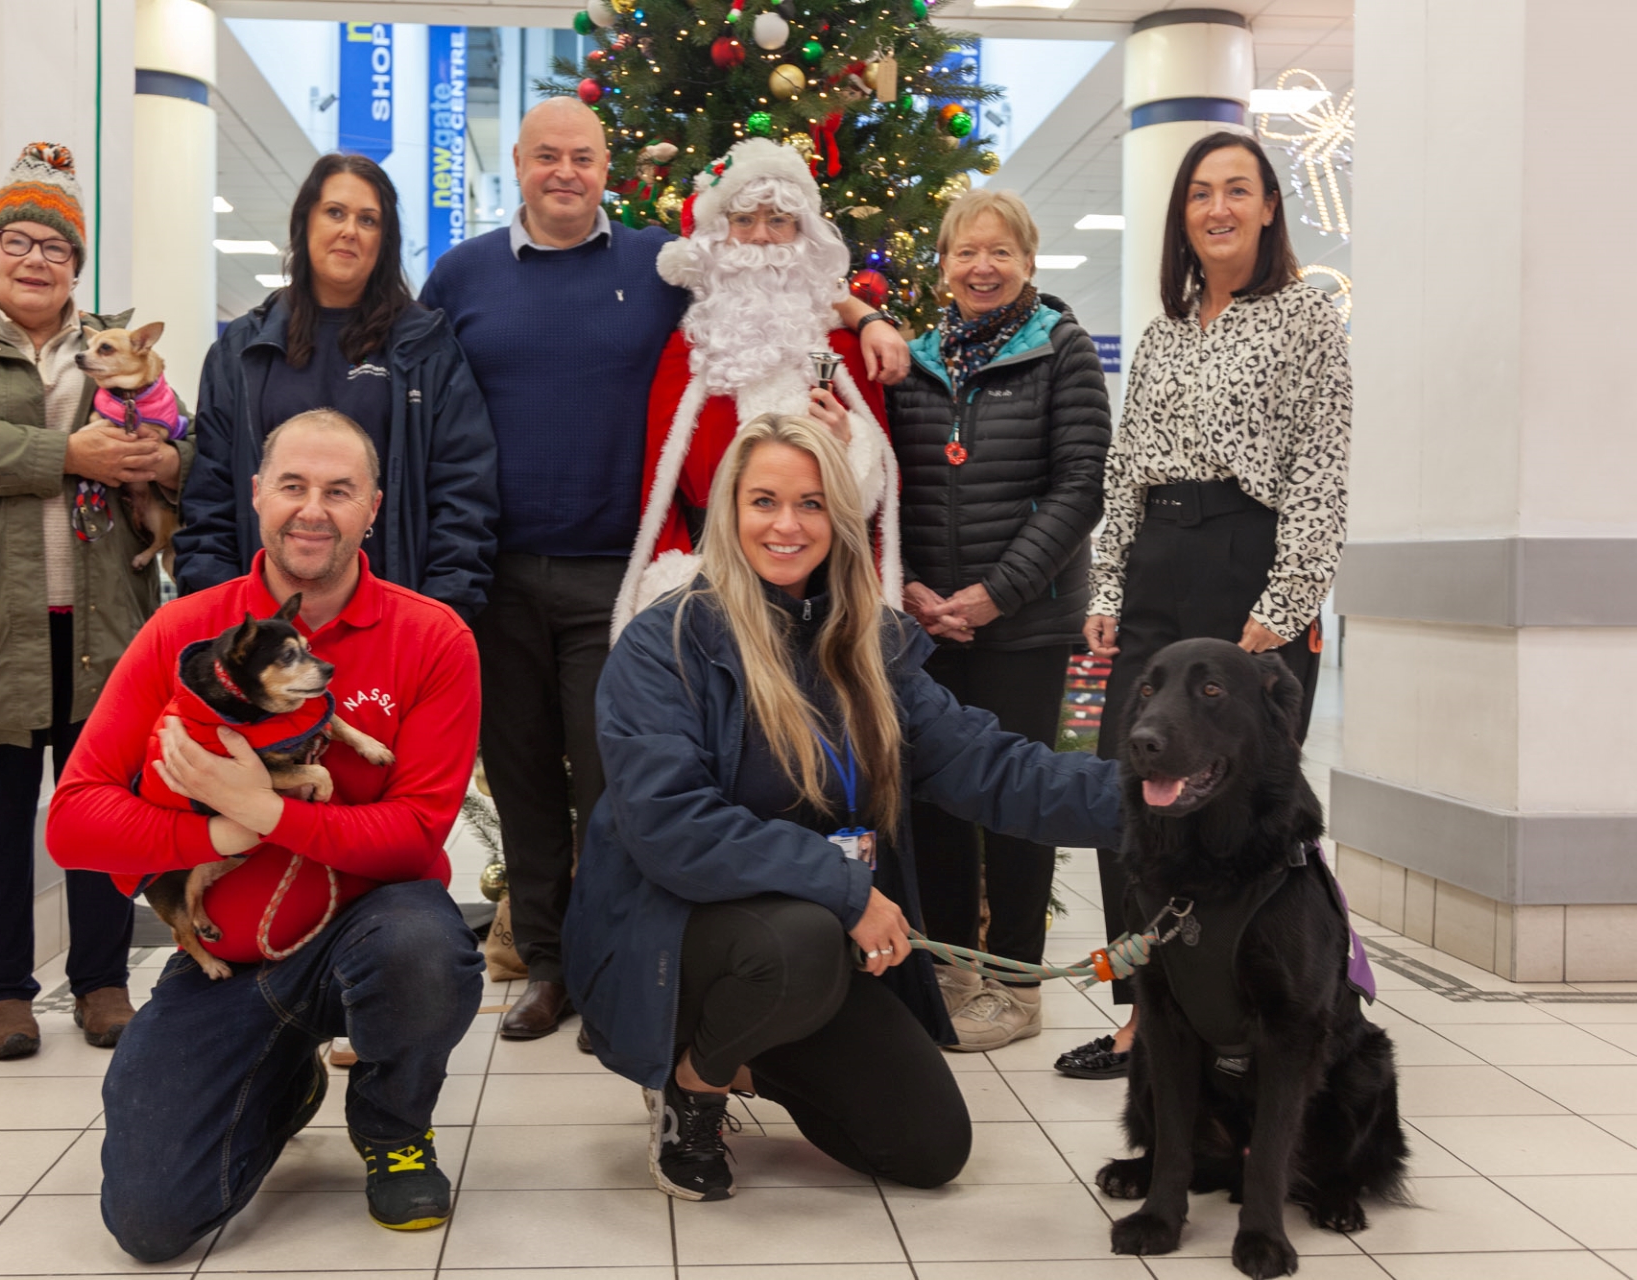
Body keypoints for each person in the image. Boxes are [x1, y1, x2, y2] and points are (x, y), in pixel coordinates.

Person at [421, 98, 909, 1041]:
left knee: (621, 787)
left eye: (583, 157)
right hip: (500, 569)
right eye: (546, 157)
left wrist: (865, 309)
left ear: (606, 167)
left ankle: (619, 969)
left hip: (619, 573)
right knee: (520, 776)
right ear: (518, 164)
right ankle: (553, 966)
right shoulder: (464, 272)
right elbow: (419, 380)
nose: (565, 172)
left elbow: (779, 281)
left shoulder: (652, 266)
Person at [564, 414, 1122, 1202]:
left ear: (842, 521)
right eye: (764, 501)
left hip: (811, 944)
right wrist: (845, 889)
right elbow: (670, 826)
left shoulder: (872, 647)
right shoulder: (666, 645)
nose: (786, 524)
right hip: (676, 932)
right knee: (798, 943)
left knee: (928, 1148)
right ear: (729, 511)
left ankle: (756, 1045)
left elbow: (994, 769)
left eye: (812, 503)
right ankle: (692, 1079)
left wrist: (1154, 802)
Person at [47, 409, 484, 1257]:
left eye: (338, 490)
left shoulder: (433, 638)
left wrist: (269, 810)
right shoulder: (182, 634)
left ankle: (393, 1125)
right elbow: (73, 823)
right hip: (230, 953)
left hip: (373, 932)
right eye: (292, 485)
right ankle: (281, 1082)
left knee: (425, 949)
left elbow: (417, 835)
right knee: (150, 1221)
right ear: (256, 495)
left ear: (373, 508)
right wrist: (218, 834)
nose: (312, 509)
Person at [1056, 131, 1351, 1082]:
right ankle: (1148, 1014)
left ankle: (1266, 1003)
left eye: (1238, 190)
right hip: (1158, 566)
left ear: (1270, 207)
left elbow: (1320, 469)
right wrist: (1107, 589)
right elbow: (1127, 467)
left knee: (1247, 799)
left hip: (1249, 564)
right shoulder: (1162, 335)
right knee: (1131, 791)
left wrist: (1286, 599)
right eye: (1199, 194)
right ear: (1181, 217)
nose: (1217, 207)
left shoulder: (1307, 317)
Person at [0, 142, 188, 1059]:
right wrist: (66, 455)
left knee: (103, 808)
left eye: (55, 249)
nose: (35, 260)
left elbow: (182, 447)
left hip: (106, 617)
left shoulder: (110, 343)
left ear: (76, 267)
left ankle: (101, 984)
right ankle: (3, 995)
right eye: (16, 241)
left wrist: (165, 465)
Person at [885, 188, 1109, 1053]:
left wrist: (995, 593)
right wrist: (909, 589)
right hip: (925, 626)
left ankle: (1016, 985)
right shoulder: (913, 361)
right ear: (942, 265)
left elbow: (1080, 486)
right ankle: (950, 971)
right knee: (938, 799)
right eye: (965, 253)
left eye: (1000, 252)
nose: (982, 267)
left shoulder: (1061, 350)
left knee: (1020, 800)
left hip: (1025, 625)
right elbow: (887, 480)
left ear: (1027, 261)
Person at [174, 153, 497, 617]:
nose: (350, 230)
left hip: (391, 623)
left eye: (368, 219)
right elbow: (210, 499)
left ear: (384, 241)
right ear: (305, 222)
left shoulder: (426, 348)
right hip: (263, 632)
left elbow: (464, 497)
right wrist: (227, 625)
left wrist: (441, 618)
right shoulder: (243, 350)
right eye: (335, 212)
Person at [616, 137, 900, 638]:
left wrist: (848, 446)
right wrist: (671, 581)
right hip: (706, 584)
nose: (762, 237)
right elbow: (658, 493)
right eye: (743, 221)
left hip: (820, 587)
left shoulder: (846, 349)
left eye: (778, 220)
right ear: (717, 236)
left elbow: (877, 494)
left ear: (802, 232)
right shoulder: (687, 350)